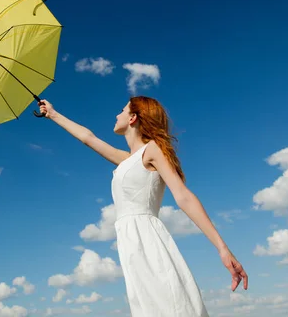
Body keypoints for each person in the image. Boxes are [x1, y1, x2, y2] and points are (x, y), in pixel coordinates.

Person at [38, 96, 248, 316]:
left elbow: (183, 195)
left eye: (121, 110)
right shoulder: (127, 159)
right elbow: (88, 138)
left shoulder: (152, 150)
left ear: (133, 118)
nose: (116, 115)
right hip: (131, 246)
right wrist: (52, 114)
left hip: (147, 241)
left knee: (168, 305)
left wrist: (222, 248)